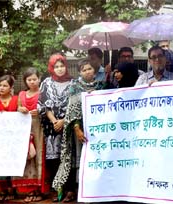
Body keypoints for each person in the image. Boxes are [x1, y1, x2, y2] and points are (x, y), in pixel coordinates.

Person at [52, 60, 106, 203]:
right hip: (80, 127)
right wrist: (77, 128)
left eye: (89, 69)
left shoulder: (102, 85)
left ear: (94, 70)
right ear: (80, 72)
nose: (87, 72)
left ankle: (94, 190)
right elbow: (72, 110)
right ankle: (73, 191)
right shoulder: (75, 86)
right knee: (78, 157)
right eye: (84, 70)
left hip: (97, 127)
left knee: (95, 158)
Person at [38, 53, 72, 202]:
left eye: (62, 65)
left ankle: (69, 190)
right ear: (51, 68)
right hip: (51, 128)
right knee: (53, 160)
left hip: (68, 125)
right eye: (56, 66)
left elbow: (76, 105)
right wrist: (54, 121)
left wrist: (63, 121)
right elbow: (43, 103)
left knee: (67, 158)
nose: (59, 69)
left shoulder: (74, 83)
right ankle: (56, 190)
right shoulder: (46, 82)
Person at [13, 67, 47, 203]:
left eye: (34, 79)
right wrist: (19, 109)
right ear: (25, 81)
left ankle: (39, 190)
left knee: (39, 155)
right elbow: (17, 109)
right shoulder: (21, 94)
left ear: (39, 79)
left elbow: (48, 109)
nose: (32, 82)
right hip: (24, 128)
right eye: (29, 79)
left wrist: (40, 112)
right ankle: (29, 190)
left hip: (40, 127)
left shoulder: (43, 93)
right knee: (27, 157)